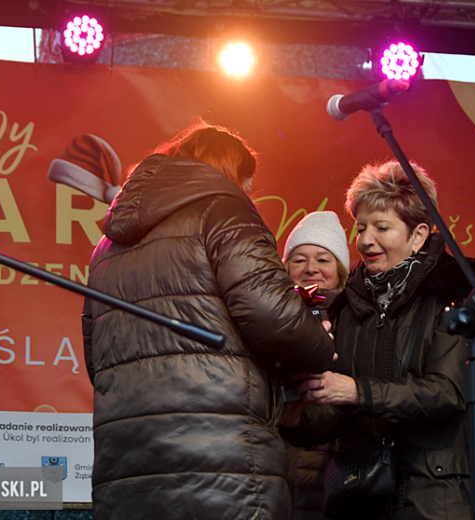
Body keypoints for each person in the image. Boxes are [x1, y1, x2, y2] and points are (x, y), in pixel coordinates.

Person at [81, 119, 336, 520]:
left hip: (125, 468)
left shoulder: (105, 248)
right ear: (229, 171)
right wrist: (321, 345)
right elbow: (273, 315)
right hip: (223, 466)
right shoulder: (225, 210)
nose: (249, 190)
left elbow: (97, 361)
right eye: (247, 180)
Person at [281, 160, 475, 520]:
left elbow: (448, 391)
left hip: (440, 499)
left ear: (418, 235)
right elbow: (342, 414)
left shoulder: (452, 292)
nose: (366, 240)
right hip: (366, 498)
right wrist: (298, 420)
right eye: (361, 228)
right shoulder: (349, 305)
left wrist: (357, 391)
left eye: (381, 227)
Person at [281, 211, 350, 520]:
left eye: (323, 259)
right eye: (299, 260)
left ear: (340, 270)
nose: (311, 269)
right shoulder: (263, 318)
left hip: (329, 460)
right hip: (274, 453)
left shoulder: (356, 320)